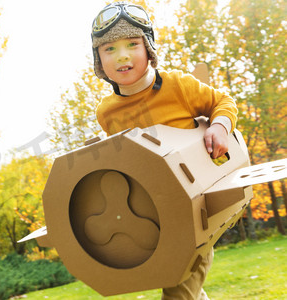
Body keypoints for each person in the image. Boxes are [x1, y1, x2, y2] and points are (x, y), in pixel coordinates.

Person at [91, 2, 238, 300]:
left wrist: (220, 126)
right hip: (153, 214)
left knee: (178, 291)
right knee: (179, 283)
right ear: (99, 60)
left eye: (132, 44)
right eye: (109, 49)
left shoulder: (178, 86)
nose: (122, 56)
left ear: (148, 48)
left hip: (197, 209)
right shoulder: (106, 112)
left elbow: (223, 102)